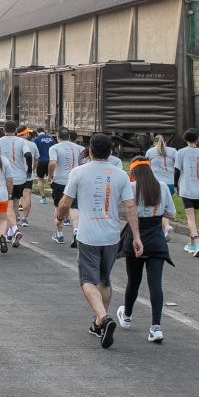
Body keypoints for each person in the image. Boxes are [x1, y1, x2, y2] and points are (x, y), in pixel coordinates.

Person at [55, 134, 142, 349]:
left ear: (90, 151)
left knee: (88, 280)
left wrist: (60, 217)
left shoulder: (78, 172)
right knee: (104, 280)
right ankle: (97, 324)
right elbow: (130, 206)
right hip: (111, 236)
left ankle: (103, 318)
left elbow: (65, 203)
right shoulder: (120, 174)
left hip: (88, 235)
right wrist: (136, 236)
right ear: (111, 152)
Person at [116, 158, 176, 343]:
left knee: (133, 281)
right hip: (156, 238)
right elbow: (172, 214)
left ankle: (127, 316)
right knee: (155, 284)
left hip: (135, 236)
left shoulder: (130, 187)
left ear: (133, 173)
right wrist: (156, 211)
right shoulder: (162, 187)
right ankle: (156, 327)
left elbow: (123, 208)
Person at [174, 129, 199, 257]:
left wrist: (175, 186)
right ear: (197, 139)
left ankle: (197, 243)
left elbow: (177, 171)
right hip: (198, 190)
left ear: (185, 139)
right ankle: (192, 244)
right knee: (194, 218)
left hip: (186, 189)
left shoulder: (180, 152)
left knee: (190, 218)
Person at [47, 128, 84, 245]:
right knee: (74, 207)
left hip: (60, 181)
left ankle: (59, 233)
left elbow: (53, 163)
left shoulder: (54, 148)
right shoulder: (80, 148)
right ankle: (76, 231)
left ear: (57, 136)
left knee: (58, 206)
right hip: (75, 181)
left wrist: (49, 176)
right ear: (69, 136)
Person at [0, 121, 31, 247]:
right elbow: (28, 155)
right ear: (16, 130)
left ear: (3, 129)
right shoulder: (22, 141)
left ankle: (14, 230)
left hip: (6, 178)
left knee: (7, 205)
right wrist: (29, 169)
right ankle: (10, 233)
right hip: (20, 177)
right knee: (16, 203)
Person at [145, 135, 178, 239]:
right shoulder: (173, 151)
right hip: (171, 184)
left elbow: (146, 167)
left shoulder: (150, 152)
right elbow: (178, 167)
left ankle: (166, 227)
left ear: (154, 143)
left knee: (158, 207)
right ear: (166, 142)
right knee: (163, 206)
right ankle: (164, 230)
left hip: (156, 183)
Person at [17, 125, 38, 227]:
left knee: (15, 196)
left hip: (16, 174)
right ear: (25, 134)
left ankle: (15, 215)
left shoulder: (14, 143)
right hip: (28, 174)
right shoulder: (32, 145)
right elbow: (36, 159)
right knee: (27, 194)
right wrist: (32, 169)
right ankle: (25, 219)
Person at [33, 127, 55, 204]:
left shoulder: (36, 139)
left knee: (40, 179)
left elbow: (34, 151)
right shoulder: (51, 138)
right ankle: (56, 194)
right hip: (51, 161)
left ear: (37, 132)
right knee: (51, 179)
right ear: (44, 131)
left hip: (41, 161)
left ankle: (43, 198)